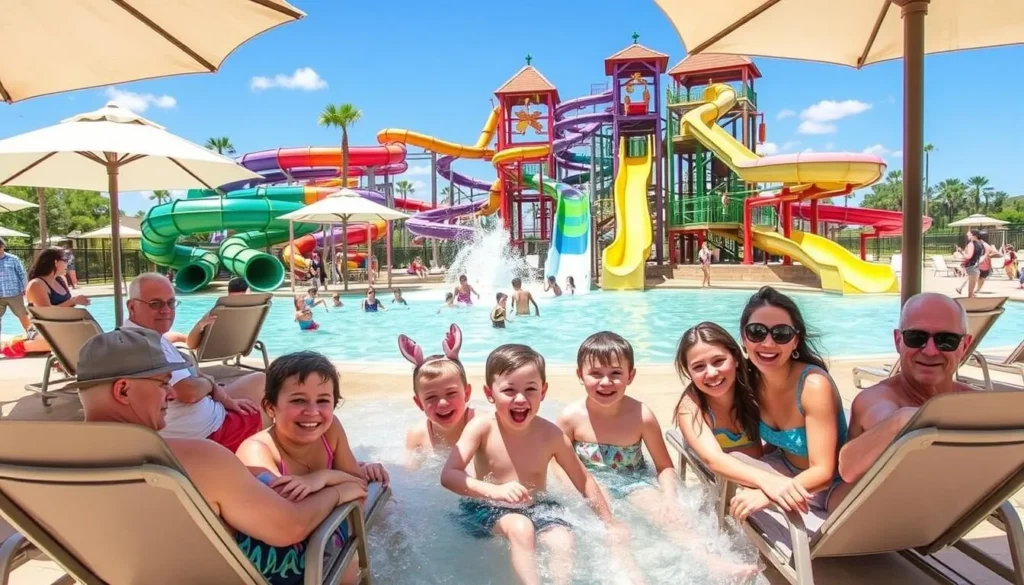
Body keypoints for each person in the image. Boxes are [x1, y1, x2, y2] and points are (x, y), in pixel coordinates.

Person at [74, 329, 367, 585]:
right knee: (333, 523)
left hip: (132, 573)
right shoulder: (193, 458)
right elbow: (290, 527)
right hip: (256, 572)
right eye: (163, 384)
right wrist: (338, 490)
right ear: (123, 390)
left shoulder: (46, 463)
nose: (171, 396)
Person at [557, 332, 758, 580]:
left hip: (634, 481)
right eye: (596, 374)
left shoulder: (641, 415)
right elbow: (558, 460)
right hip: (592, 481)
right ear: (580, 375)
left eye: (615, 374)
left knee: (671, 518)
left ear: (630, 375)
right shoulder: (571, 417)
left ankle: (714, 562)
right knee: (612, 529)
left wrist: (669, 498)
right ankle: (631, 574)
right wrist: (576, 488)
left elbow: (664, 466)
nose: (605, 382)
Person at [441, 344, 638, 585]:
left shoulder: (551, 435)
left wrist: (609, 521)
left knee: (562, 539)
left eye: (531, 389)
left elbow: (583, 479)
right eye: (509, 390)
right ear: (490, 393)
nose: (521, 399)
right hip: (486, 506)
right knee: (521, 527)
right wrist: (495, 491)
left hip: (537, 506)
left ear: (543, 391)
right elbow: (449, 475)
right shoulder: (481, 427)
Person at [235, 351, 389, 585]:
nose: (312, 411)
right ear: (270, 407)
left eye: (323, 401)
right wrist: (339, 488)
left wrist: (322, 477)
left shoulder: (330, 430)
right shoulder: (257, 451)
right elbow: (288, 518)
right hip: (281, 562)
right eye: (298, 400)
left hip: (323, 540)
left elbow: (358, 489)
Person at [831, 293, 973, 509]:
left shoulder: (971, 401)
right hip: (868, 523)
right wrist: (901, 421)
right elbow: (849, 467)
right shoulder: (877, 399)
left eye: (947, 340)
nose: (930, 350)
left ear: (964, 346)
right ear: (898, 341)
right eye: (916, 337)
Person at [727, 286, 848, 521]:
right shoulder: (749, 380)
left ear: (795, 341)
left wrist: (769, 494)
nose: (768, 343)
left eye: (781, 334)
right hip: (783, 468)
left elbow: (823, 472)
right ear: (744, 338)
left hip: (830, 485)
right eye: (757, 332)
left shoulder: (813, 386)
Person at [125, 273, 266, 452]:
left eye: (170, 303)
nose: (166, 310)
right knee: (265, 408)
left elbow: (193, 379)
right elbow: (188, 392)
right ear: (131, 307)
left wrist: (221, 395)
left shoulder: (145, 337)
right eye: (155, 304)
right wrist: (209, 384)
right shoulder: (146, 346)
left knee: (260, 381)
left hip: (202, 418)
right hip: (206, 435)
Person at [400, 325, 476, 455]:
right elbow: (409, 473)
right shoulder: (417, 436)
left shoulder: (482, 424)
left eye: (451, 393)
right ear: (419, 403)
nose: (442, 403)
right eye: (431, 397)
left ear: (467, 393)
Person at [12, 248, 91, 354]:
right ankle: (21, 346)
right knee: (73, 341)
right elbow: (46, 313)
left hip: (63, 327)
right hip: (43, 331)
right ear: (55, 262)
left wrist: (76, 302)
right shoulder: (37, 284)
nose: (67, 264)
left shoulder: (61, 280)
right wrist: (73, 301)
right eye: (66, 260)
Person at [0, 237, 31, 336]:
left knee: (23, 315)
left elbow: (22, 274)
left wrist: (26, 288)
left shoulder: (13, 259)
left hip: (14, 294)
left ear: (3, 247)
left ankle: (31, 335)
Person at [956, 230, 984, 297]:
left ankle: (970, 304)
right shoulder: (981, 243)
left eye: (968, 235)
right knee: (971, 289)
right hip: (976, 267)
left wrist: (961, 251)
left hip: (971, 266)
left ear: (974, 236)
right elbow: (981, 255)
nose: (967, 236)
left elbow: (969, 257)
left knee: (970, 291)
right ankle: (971, 303)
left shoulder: (971, 244)